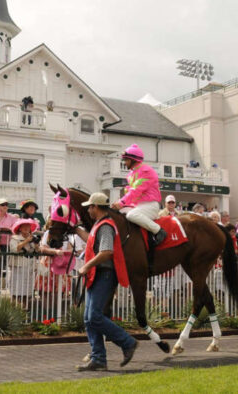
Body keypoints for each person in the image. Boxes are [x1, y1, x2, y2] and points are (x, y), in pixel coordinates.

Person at [72, 192, 138, 371]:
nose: (88, 210)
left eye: (90, 207)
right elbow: (93, 244)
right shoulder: (99, 225)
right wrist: (76, 229)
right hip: (99, 274)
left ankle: (127, 342)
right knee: (88, 318)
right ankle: (98, 358)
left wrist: (86, 266)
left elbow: (106, 251)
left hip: (105, 274)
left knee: (94, 316)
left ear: (95, 207)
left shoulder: (106, 226)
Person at [110, 144, 166, 245]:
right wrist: (118, 204)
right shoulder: (131, 174)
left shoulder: (146, 171)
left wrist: (121, 202)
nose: (124, 162)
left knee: (131, 215)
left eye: (126, 160)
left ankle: (159, 231)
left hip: (150, 206)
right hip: (137, 206)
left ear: (133, 160)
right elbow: (131, 195)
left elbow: (135, 191)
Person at [9, 218, 39, 307]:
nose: (26, 228)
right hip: (18, 267)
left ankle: (25, 311)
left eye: (28, 226)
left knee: (27, 292)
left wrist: (36, 244)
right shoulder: (15, 238)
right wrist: (26, 241)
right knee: (16, 291)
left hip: (29, 267)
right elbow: (15, 249)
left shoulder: (32, 239)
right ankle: (14, 311)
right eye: (24, 226)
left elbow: (37, 251)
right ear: (20, 228)